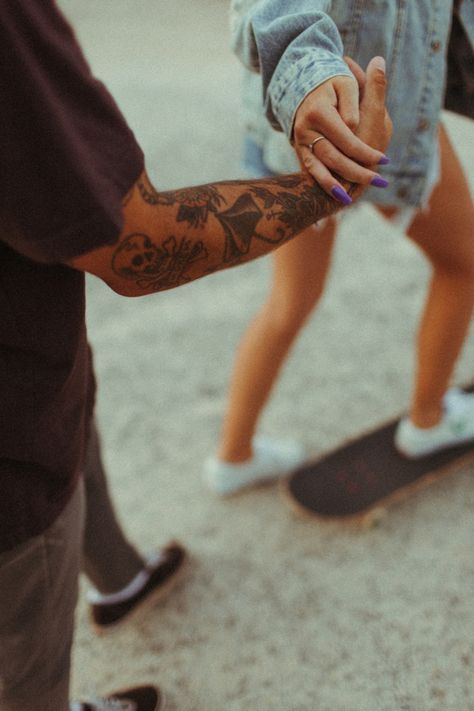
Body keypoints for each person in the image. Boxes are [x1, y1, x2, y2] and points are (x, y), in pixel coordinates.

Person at [0, 2, 391, 710]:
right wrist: (329, 190)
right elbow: (136, 245)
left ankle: (120, 579)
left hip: (33, 362)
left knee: (72, 428)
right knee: (27, 663)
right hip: (10, 450)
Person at [202, 0, 474, 496]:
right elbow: (263, 10)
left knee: (291, 301)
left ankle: (233, 456)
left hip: (310, 131)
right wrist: (307, 81)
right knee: (466, 264)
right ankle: (428, 421)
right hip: (355, 124)